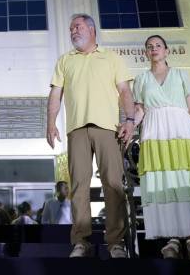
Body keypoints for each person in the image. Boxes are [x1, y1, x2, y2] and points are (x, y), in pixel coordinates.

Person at [47, 14, 136, 259]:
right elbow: (56, 94)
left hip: (108, 128)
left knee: (113, 184)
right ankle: (81, 241)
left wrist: (129, 120)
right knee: (78, 186)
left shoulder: (111, 58)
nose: (73, 31)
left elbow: (125, 91)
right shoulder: (65, 60)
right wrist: (50, 123)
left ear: (91, 29)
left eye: (77, 26)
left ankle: (116, 242)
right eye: (70, 28)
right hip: (76, 129)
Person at [133, 34, 190, 260]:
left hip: (181, 130)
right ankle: (171, 238)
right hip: (154, 133)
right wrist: (129, 126)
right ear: (146, 53)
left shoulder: (180, 75)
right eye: (149, 46)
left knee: (185, 179)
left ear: (166, 51)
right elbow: (139, 110)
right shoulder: (141, 79)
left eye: (158, 45)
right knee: (164, 181)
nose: (154, 48)